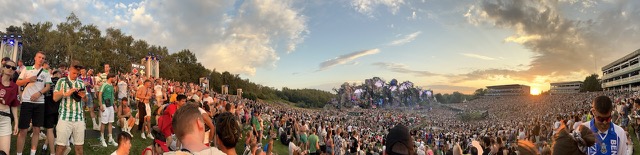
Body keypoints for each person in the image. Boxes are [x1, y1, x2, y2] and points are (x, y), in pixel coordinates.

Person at [16, 51, 52, 155]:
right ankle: (19, 153)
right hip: (27, 101)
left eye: (43, 58)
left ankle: (33, 153)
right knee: (23, 130)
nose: (41, 59)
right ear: (35, 58)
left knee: (36, 130)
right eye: (40, 57)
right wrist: (28, 79)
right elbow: (18, 82)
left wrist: (39, 93)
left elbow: (48, 86)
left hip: (40, 103)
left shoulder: (45, 72)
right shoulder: (26, 69)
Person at [53, 62, 88, 155]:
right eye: (74, 73)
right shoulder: (62, 81)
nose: (76, 75)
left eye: (78, 74)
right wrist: (65, 93)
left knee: (79, 147)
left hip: (79, 118)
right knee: (60, 147)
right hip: (65, 117)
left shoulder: (81, 83)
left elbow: (85, 100)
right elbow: (55, 98)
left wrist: (84, 96)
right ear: (69, 70)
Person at [0, 60, 20, 154]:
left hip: (5, 118)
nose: (10, 69)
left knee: (4, 152)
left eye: (13, 68)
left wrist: (16, 122)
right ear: (3, 67)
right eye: (8, 66)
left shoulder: (14, 86)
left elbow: (14, 105)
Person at [41, 69, 62, 155]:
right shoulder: (61, 82)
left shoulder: (47, 81)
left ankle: (45, 146)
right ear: (58, 74)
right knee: (53, 129)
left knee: (50, 129)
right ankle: (52, 152)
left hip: (48, 108)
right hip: (59, 108)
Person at [98, 74, 118, 147]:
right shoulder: (104, 85)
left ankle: (110, 138)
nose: (115, 79)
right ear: (110, 78)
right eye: (114, 78)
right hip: (104, 105)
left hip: (110, 106)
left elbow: (112, 97)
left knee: (110, 122)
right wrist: (100, 105)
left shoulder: (111, 86)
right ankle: (102, 138)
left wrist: (114, 105)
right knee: (103, 122)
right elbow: (100, 94)